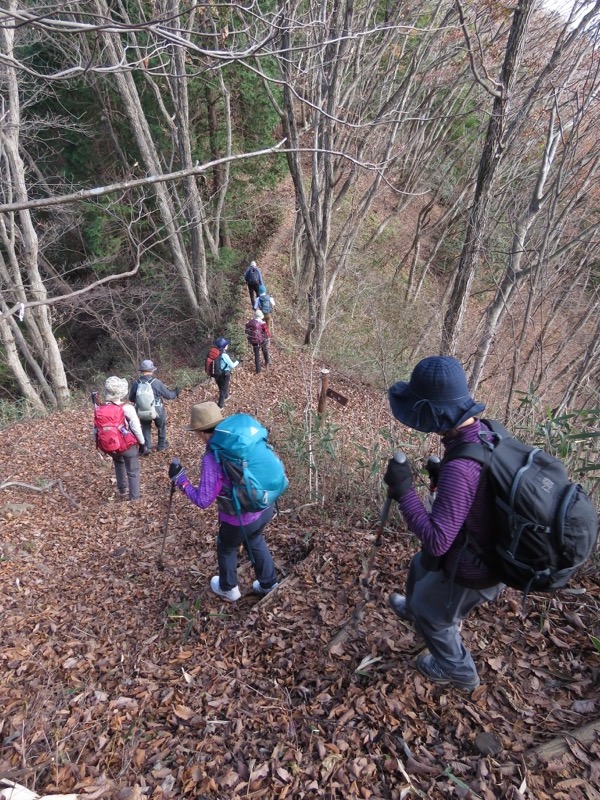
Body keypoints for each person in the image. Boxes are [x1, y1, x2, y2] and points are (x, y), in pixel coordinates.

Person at [382, 355, 504, 692]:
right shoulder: (482, 434)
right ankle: (418, 609)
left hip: (476, 567)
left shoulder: (461, 466)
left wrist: (404, 490)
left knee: (434, 614)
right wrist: (441, 483)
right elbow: (475, 498)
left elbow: (437, 541)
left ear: (435, 416)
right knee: (419, 565)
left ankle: (461, 674)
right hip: (475, 541)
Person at [168, 402, 279, 601]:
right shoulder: (241, 439)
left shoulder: (213, 457)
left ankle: (229, 588)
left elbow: (203, 500)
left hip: (239, 520)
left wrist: (181, 480)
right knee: (255, 539)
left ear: (201, 432)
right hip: (265, 506)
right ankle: (269, 583)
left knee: (226, 547)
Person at [100, 376, 146, 500]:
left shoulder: (100, 409)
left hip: (110, 445)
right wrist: (142, 443)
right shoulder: (128, 408)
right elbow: (136, 428)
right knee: (133, 470)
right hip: (127, 445)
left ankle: (122, 490)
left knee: (118, 462)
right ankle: (134, 498)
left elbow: (97, 430)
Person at [129, 359, 179, 454]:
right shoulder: (157, 382)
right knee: (161, 426)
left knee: (145, 427)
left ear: (142, 371)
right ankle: (161, 445)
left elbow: (131, 398)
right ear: (151, 370)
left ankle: (147, 448)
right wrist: (175, 392)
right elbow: (168, 396)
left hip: (142, 410)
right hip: (157, 410)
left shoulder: (136, 383)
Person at [212, 337, 239, 408]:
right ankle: (220, 405)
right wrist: (237, 361)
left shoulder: (215, 353)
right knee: (223, 389)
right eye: (226, 345)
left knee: (222, 387)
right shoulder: (224, 355)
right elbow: (232, 365)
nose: (227, 345)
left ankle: (226, 396)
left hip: (216, 374)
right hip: (225, 374)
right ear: (224, 347)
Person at [244, 309, 270, 374]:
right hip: (261, 340)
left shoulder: (250, 322)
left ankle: (258, 370)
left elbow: (246, 331)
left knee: (256, 355)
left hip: (254, 341)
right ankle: (267, 362)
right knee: (265, 350)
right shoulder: (262, 323)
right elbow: (266, 333)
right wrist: (268, 338)